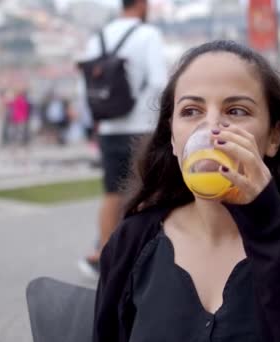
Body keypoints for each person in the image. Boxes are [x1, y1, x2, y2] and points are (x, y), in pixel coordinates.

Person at [93, 41, 280, 341]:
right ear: (173, 139)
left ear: (273, 138)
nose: (212, 127)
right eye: (191, 111)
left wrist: (266, 220)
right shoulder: (133, 240)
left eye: (237, 110)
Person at [78, 0, 167, 276]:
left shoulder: (98, 38)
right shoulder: (148, 35)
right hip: (141, 127)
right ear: (141, 5)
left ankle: (108, 260)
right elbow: (159, 81)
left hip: (108, 128)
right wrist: (144, 108)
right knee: (148, 192)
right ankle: (147, 255)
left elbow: (86, 87)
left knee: (112, 194)